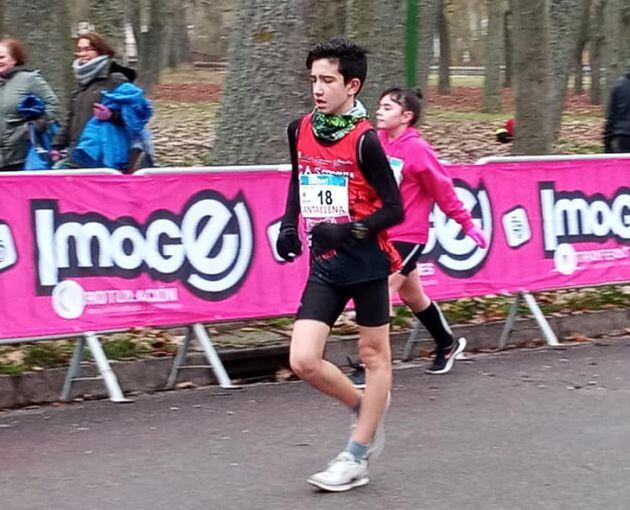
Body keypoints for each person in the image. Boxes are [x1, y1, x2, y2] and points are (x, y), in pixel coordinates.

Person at [276, 38, 403, 492]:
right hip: (326, 262)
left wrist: (347, 230)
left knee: (372, 355)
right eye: (313, 79)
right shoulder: (299, 129)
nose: (317, 88)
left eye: (327, 80)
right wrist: (288, 225)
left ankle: (356, 455)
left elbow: (394, 210)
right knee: (304, 359)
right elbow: (299, 179)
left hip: (367, 259)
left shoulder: (367, 140)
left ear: (352, 85)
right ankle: (363, 409)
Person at [375, 87, 487, 375]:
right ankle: (447, 343)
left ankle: (372, 363)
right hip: (381, 231)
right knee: (413, 297)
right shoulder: (377, 142)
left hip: (408, 234)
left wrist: (467, 224)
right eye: (379, 106)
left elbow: (444, 191)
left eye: (388, 108)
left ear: (406, 116)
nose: (379, 111)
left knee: (379, 290)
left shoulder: (418, 150)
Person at [52, 32, 149, 171]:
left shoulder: (115, 79)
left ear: (100, 51)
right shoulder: (82, 82)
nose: (82, 54)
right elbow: (70, 118)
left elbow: (137, 115)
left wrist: (111, 115)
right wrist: (57, 146)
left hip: (105, 154)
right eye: (79, 50)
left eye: (88, 49)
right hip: (77, 152)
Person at [0, 38, 59, 171]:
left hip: (23, 156)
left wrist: (36, 125)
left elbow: (53, 105)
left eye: (2, 57)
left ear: (14, 59)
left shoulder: (30, 80)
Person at [603, 72, 630, 153]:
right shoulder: (620, 84)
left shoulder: (620, 84)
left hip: (623, 135)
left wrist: (607, 140)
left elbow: (612, 116)